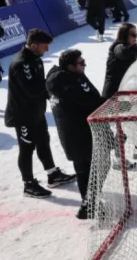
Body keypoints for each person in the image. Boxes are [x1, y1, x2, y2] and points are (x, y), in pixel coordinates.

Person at [5, 29, 76, 198]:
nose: (48, 50)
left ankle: (52, 174)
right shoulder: (21, 63)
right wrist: (53, 83)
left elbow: (41, 87)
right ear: (34, 45)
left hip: (36, 111)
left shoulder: (36, 59)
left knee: (43, 141)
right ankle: (28, 184)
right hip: (23, 115)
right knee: (26, 148)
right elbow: (32, 89)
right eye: (45, 46)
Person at [46, 49, 107, 219]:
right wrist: (118, 105)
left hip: (80, 133)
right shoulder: (67, 84)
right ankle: (88, 205)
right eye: (81, 63)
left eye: (84, 61)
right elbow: (91, 102)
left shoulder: (71, 77)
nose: (84, 65)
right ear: (70, 67)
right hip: (78, 136)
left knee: (91, 168)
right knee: (87, 170)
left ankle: (90, 201)